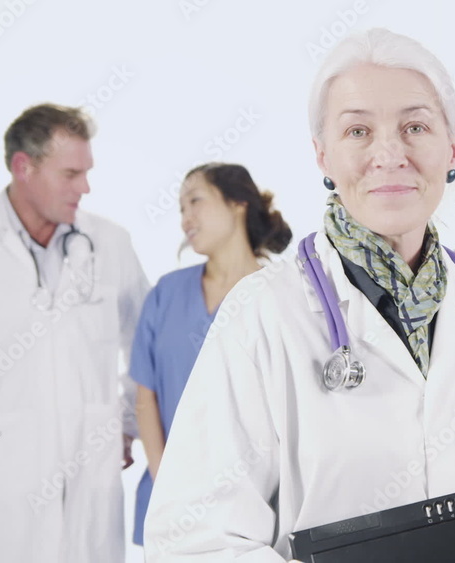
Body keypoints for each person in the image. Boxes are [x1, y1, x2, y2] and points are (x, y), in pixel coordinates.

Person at [144, 29, 455, 561]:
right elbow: (194, 540)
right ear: (323, 157)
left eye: (415, 127)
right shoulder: (263, 314)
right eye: (358, 130)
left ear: (452, 147)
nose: (389, 154)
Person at [0, 103, 149, 562]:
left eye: (86, 172)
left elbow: (148, 345)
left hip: (91, 467)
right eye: (71, 174)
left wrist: (126, 423)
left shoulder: (110, 243)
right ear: (23, 167)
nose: (85, 188)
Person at [129, 162, 292, 545]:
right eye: (181, 209)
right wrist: (167, 484)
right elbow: (145, 398)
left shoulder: (282, 294)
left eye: (195, 201)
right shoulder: (167, 293)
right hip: (168, 501)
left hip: (260, 504)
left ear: (237, 202)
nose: (186, 218)